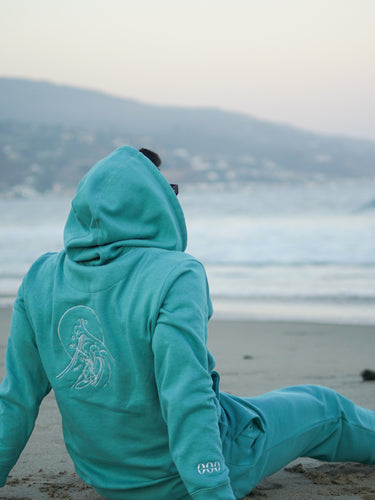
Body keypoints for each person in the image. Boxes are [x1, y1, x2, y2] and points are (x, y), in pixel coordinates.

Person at [0, 145, 375, 500]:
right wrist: (211, 489)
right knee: (325, 408)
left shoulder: (40, 277)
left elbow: (16, 399)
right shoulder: (174, 274)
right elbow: (185, 394)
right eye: (169, 193)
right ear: (153, 205)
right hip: (183, 476)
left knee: (239, 407)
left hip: (107, 477)